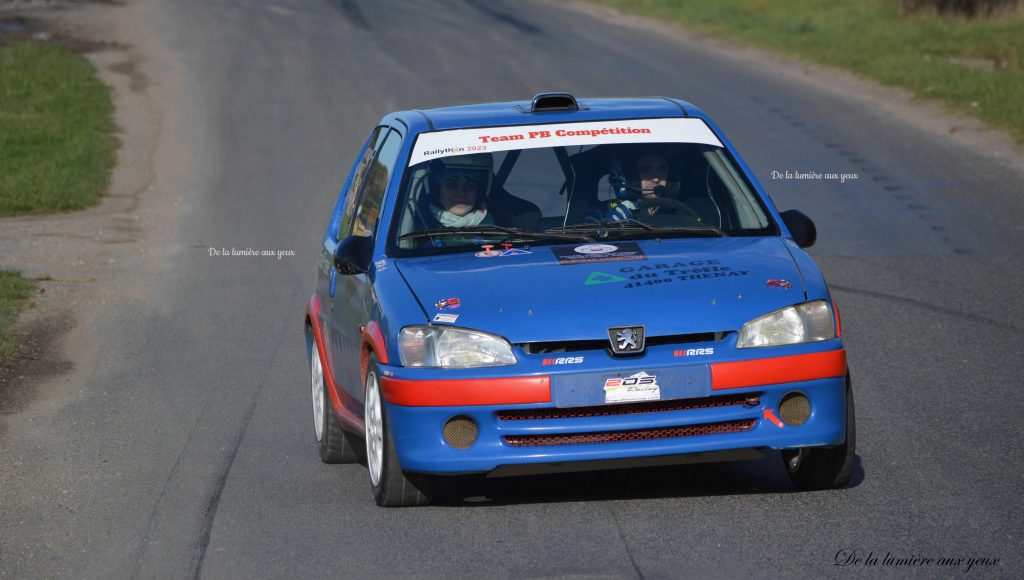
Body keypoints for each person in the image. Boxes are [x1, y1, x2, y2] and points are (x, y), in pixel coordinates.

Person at [426, 154, 493, 228]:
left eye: (470, 186)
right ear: (437, 190)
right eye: (451, 185)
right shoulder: (414, 224)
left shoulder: (499, 229)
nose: (461, 193)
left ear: (479, 192)